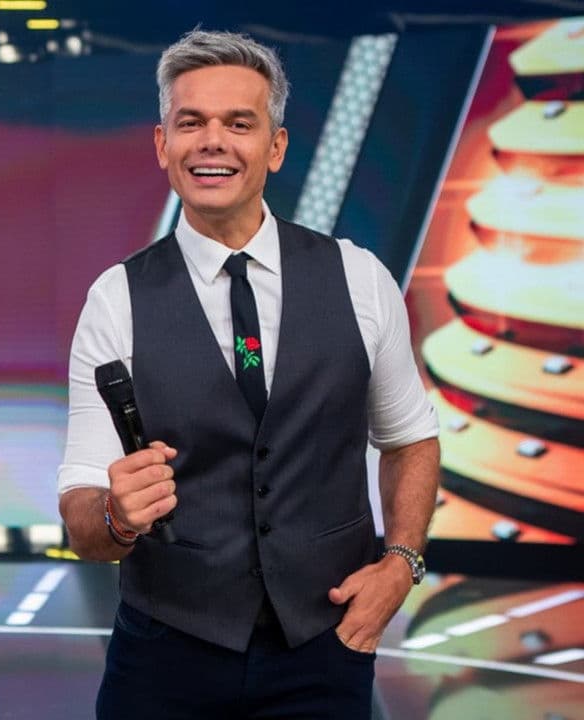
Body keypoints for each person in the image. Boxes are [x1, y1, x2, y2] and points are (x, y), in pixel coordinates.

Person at [57, 29, 440, 719]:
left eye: (239, 123)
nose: (213, 142)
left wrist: (402, 563)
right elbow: (83, 519)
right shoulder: (115, 300)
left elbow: (410, 438)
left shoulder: (360, 278)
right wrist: (115, 514)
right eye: (190, 123)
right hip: (163, 658)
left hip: (325, 649)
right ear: (162, 145)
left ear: (276, 146)